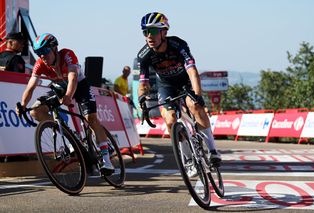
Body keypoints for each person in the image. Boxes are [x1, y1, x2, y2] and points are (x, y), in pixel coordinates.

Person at [16, 33, 114, 175]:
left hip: (80, 86)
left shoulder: (67, 55)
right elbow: (31, 86)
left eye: (44, 51)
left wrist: (68, 96)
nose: (42, 56)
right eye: (38, 53)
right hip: (60, 88)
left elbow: (73, 78)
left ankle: (106, 160)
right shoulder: (40, 64)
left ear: (54, 48)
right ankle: (70, 134)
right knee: (36, 111)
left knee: (90, 119)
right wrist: (23, 105)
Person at [137, 12, 221, 176]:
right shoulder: (144, 55)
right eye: (145, 32)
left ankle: (212, 151)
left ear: (164, 32)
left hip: (185, 81)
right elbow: (143, 83)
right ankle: (189, 160)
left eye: (153, 31)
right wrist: (142, 98)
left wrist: (197, 94)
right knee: (170, 119)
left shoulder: (178, 45)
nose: (149, 36)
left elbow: (192, 71)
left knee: (194, 105)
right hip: (166, 85)